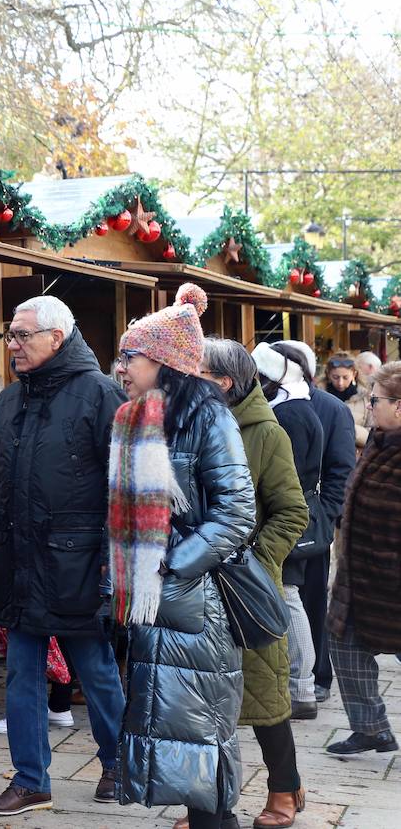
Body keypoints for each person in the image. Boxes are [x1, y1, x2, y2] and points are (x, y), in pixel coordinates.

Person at [0, 295, 127, 816]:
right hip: (17, 562)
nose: (12, 344)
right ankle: (30, 780)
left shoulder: (101, 394)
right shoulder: (8, 401)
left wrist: (111, 560)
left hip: (78, 564)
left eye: (22, 335)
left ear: (55, 339)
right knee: (20, 673)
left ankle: (117, 763)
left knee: (97, 669)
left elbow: (123, 487)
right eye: (10, 335)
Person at [111, 284, 256, 829]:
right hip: (157, 604)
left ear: (165, 363)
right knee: (177, 734)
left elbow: (238, 512)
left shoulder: (208, 419)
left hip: (197, 604)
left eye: (131, 357)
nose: (122, 367)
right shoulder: (138, 418)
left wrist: (172, 564)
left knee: (201, 736)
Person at [196, 338, 309, 829]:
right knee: (199, 702)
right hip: (193, 585)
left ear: (223, 382)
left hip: (245, 588)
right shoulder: (186, 425)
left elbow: (292, 512)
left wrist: (255, 563)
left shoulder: (267, 433)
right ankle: (204, 803)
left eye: (196, 371)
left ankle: (284, 786)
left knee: (263, 697)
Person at [325, 361, 401, 757]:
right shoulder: (380, 440)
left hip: (394, 583)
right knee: (344, 643)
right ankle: (371, 728)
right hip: (360, 580)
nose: (370, 406)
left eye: (376, 400)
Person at [278, 340, 356, 704]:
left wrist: (324, 516)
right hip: (276, 520)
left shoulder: (331, 409)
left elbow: (341, 469)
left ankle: (318, 675)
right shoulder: (272, 401)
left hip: (312, 524)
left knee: (310, 599)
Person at [252, 343, 326, 722]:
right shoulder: (296, 408)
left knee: (290, 596)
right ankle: (301, 686)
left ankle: (302, 688)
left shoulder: (292, 415)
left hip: (287, 518)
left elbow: (285, 477)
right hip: (291, 515)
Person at [322, 352, 369, 448]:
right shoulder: (319, 396)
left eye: (345, 377)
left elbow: (372, 434)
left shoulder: (366, 397)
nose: (340, 382)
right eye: (335, 377)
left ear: (354, 374)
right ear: (328, 374)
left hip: (356, 454)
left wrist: (348, 429)